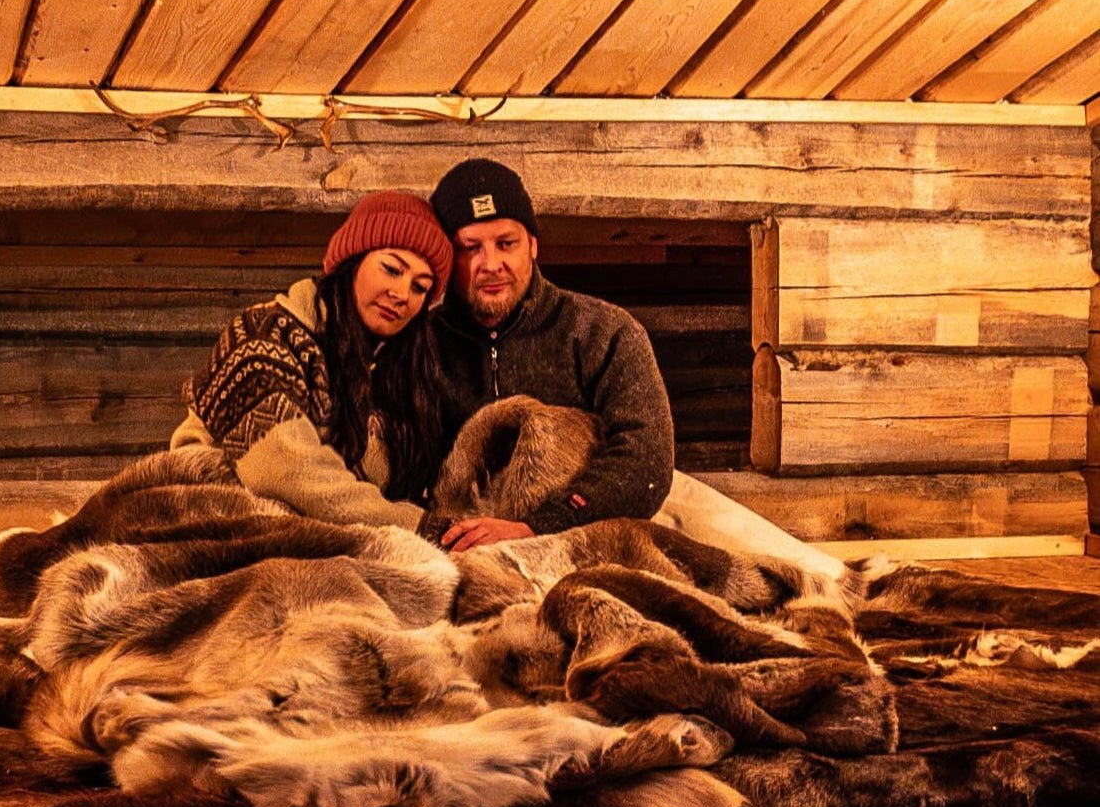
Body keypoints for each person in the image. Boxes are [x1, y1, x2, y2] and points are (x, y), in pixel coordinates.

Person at [427, 158, 849, 582]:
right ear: (448, 254)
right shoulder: (424, 346)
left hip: (603, 514)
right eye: (470, 247)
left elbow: (646, 457)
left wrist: (535, 527)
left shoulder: (602, 330)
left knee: (791, 576)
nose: (491, 263)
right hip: (475, 535)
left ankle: (841, 583)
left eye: (506, 243)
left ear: (533, 245)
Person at [170, 190, 453, 530]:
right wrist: (420, 528)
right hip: (204, 529)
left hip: (315, 548)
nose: (402, 294)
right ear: (353, 261)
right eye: (391, 269)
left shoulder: (396, 373)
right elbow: (285, 471)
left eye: (420, 287)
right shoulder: (262, 337)